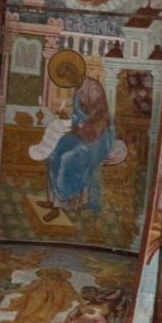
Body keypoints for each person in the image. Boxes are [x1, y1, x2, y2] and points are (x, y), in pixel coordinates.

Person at [39, 66, 114, 222]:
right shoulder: (77, 89)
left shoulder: (93, 88)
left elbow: (99, 116)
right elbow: (78, 116)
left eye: (70, 74)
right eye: (66, 77)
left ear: (76, 71)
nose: (69, 79)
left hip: (97, 138)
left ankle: (61, 205)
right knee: (54, 154)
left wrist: (80, 127)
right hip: (81, 133)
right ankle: (53, 199)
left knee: (68, 159)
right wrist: (70, 121)